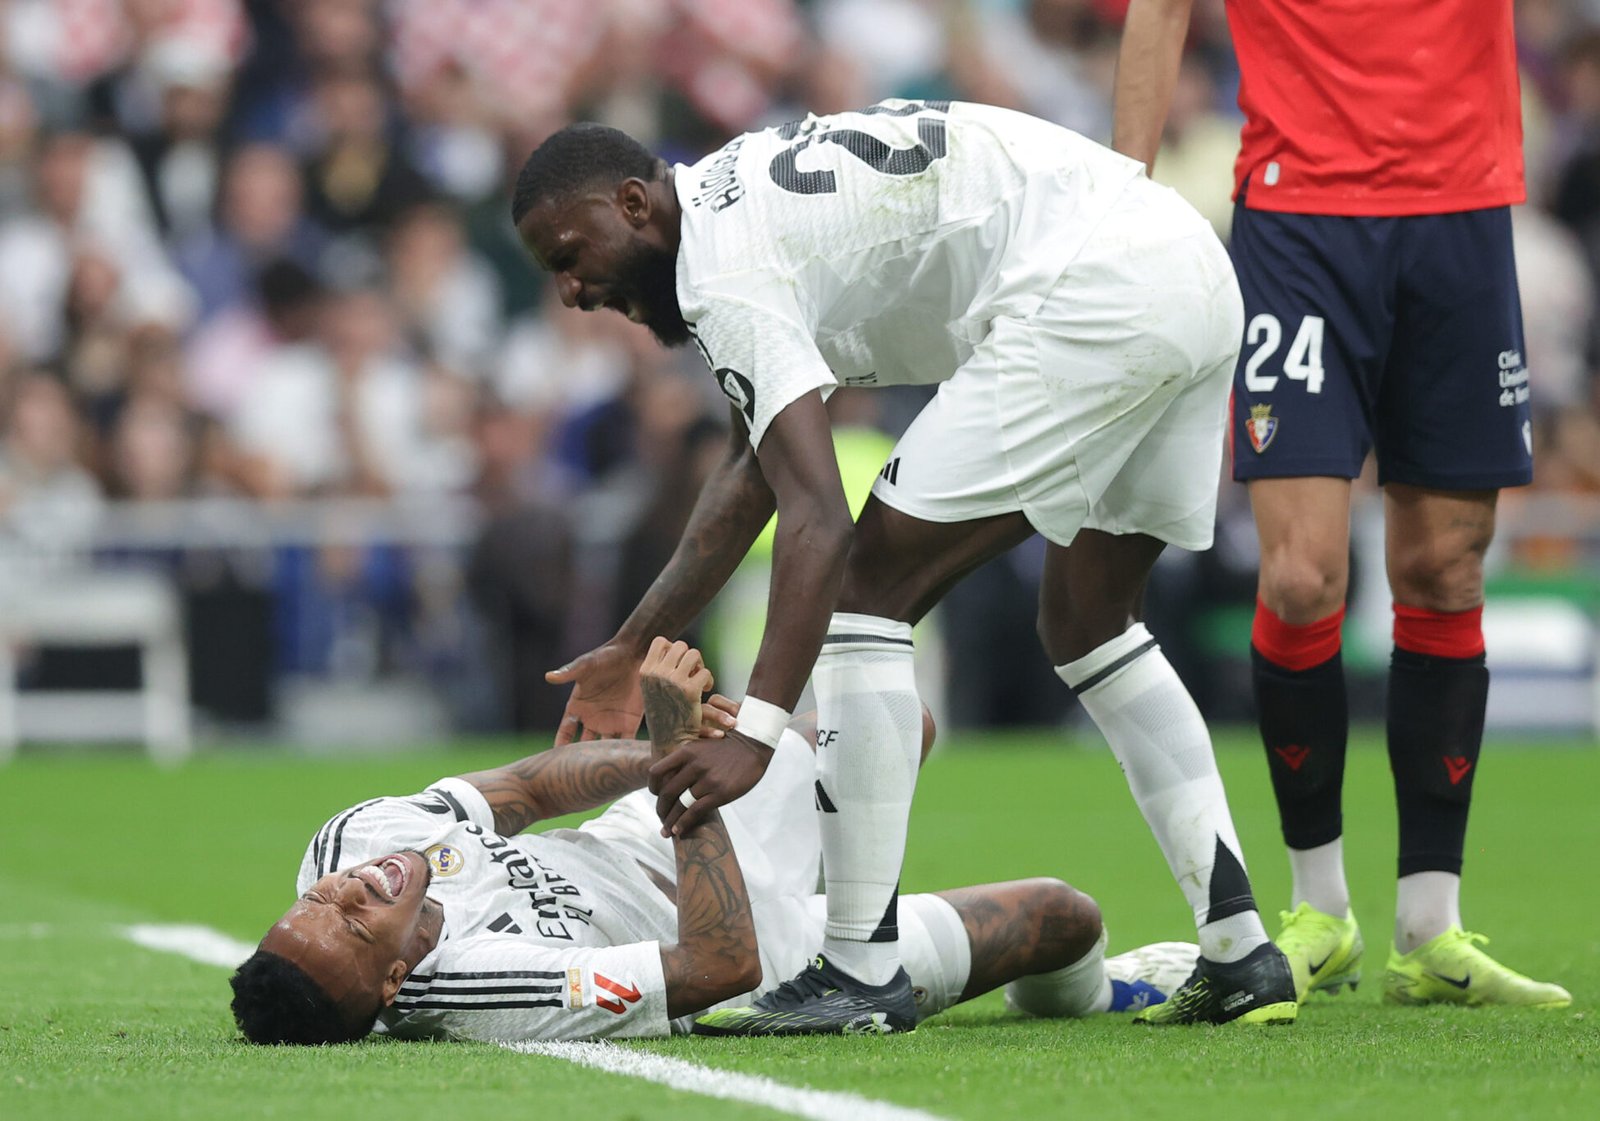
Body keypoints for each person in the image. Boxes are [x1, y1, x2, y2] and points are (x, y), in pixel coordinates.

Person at [512, 99, 1297, 1030]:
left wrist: (754, 733)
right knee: (1091, 621)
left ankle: (859, 966)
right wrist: (632, 641)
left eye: (569, 255)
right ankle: (1241, 950)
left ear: (635, 203)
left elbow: (819, 523)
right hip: (1183, 263)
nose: (571, 291)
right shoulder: (736, 213)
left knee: (865, 590)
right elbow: (747, 467)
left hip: (1090, 288)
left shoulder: (723, 267)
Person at [1113, 1, 1571, 1009]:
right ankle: (1319, 907)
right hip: (1300, 217)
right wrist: (1123, 201)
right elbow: (1157, 16)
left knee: (1443, 563)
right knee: (1301, 572)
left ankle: (1428, 925)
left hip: (1461, 212)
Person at [229, 638, 1198, 1043]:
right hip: (759, 944)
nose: (347, 888)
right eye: (354, 921)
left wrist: (673, 753)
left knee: (893, 725)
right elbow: (718, 962)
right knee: (1062, 914)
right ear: (397, 983)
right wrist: (680, 755)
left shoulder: (351, 838)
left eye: (317, 898)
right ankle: (1108, 986)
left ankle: (1090, 980)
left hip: (650, 824)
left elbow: (526, 787)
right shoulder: (482, 985)